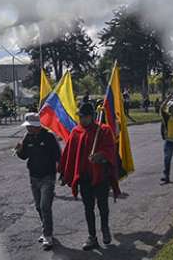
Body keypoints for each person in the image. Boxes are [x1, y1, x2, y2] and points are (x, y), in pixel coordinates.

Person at [59, 102, 118, 250]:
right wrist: (64, 173)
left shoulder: (103, 130)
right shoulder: (76, 132)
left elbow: (110, 150)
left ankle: (105, 228)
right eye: (80, 116)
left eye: (84, 117)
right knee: (88, 208)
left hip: (101, 176)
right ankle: (92, 237)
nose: (82, 120)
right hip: (84, 177)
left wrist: (100, 156)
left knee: (103, 206)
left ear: (91, 116)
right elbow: (69, 155)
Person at [15, 113, 61, 251]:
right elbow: (24, 157)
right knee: (38, 207)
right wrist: (19, 150)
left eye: (29, 127)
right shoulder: (27, 137)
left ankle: (48, 235)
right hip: (33, 177)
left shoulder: (49, 137)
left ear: (36, 126)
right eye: (27, 127)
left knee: (45, 206)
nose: (28, 129)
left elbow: (58, 156)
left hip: (48, 177)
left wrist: (62, 173)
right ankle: (45, 229)